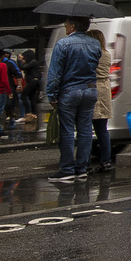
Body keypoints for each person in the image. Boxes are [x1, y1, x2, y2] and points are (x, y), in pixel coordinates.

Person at [42, 17, 103, 184]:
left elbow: (55, 73)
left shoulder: (63, 44)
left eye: (66, 25)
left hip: (69, 90)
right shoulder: (95, 44)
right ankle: (81, 169)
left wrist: (52, 94)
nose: (65, 27)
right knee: (85, 130)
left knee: (67, 130)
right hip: (90, 89)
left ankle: (67, 169)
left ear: (72, 25)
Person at [90, 31, 114, 173]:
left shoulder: (93, 54)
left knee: (86, 128)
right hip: (105, 89)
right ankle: (106, 161)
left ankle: (84, 161)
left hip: (93, 86)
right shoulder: (106, 53)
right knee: (102, 130)